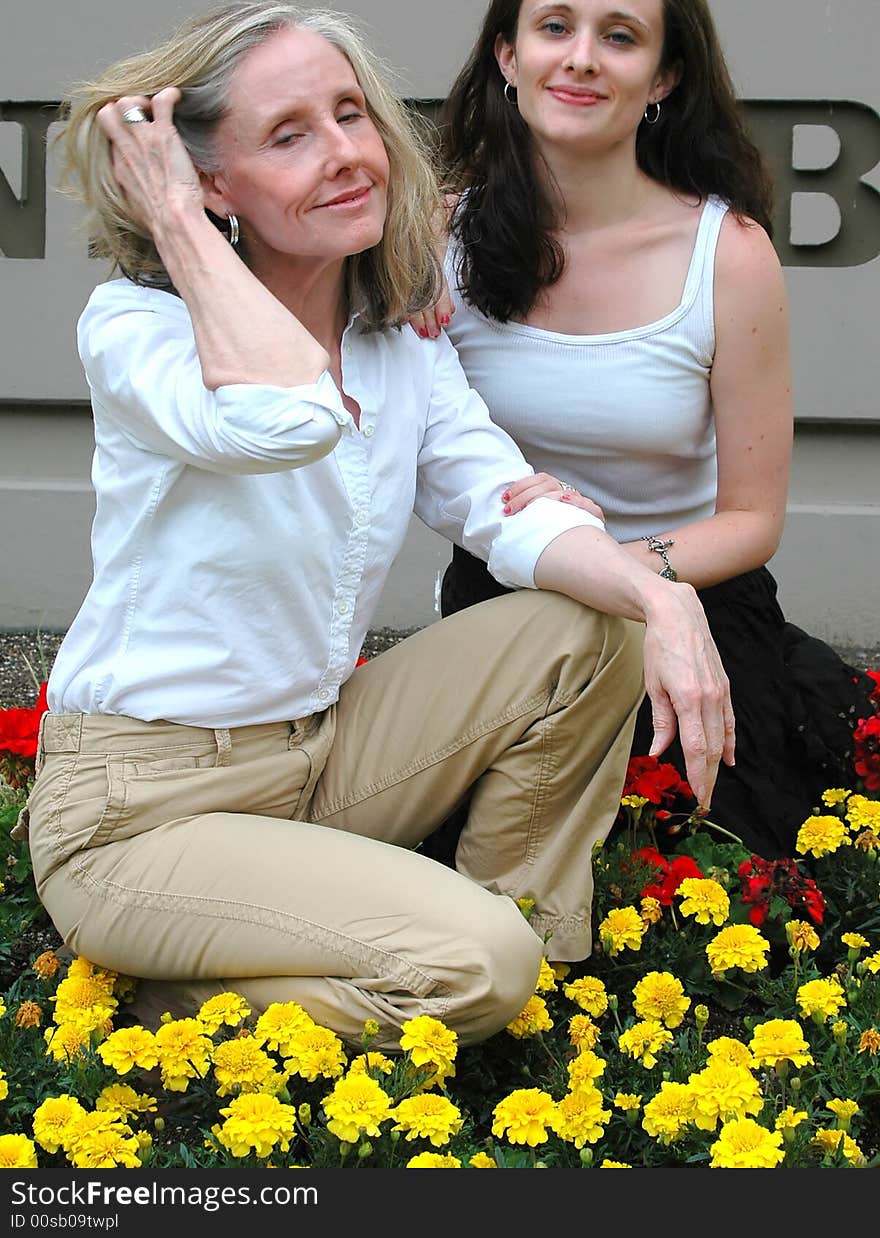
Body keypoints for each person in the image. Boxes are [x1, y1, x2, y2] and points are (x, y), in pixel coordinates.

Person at [19, 2, 732, 1050]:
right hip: (142, 811)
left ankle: (525, 965)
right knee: (471, 964)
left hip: (318, 756)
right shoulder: (139, 329)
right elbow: (287, 416)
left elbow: (500, 506)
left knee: (593, 625)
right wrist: (171, 219)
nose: (348, 153)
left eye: (351, 114)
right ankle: (158, 1013)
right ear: (210, 184)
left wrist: (659, 595)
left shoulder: (395, 341)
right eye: (290, 135)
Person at [411, 0, 876, 861]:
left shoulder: (727, 253)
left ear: (662, 77)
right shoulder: (431, 239)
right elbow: (390, 443)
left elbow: (751, 519)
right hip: (503, 600)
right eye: (555, 28)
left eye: (619, 36)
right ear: (507, 57)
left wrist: (615, 578)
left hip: (692, 603)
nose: (582, 57)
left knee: (703, 865)